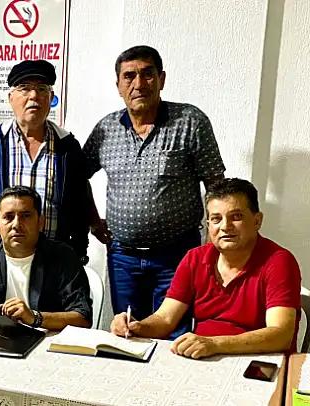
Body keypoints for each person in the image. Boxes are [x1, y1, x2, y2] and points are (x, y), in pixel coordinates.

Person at [83, 45, 226, 337]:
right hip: (123, 257)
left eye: (147, 74)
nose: (139, 83)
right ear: (118, 85)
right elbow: (78, 176)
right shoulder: (106, 129)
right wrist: (94, 222)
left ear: (161, 79)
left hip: (177, 256)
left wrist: (216, 243)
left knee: (174, 337)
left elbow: (216, 186)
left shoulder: (190, 122)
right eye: (129, 76)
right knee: (127, 332)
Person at [110, 178, 301, 359]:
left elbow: (281, 335)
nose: (225, 226)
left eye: (236, 217)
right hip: (202, 359)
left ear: (257, 221)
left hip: (259, 364)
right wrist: (136, 327)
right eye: (216, 219)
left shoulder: (279, 262)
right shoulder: (195, 258)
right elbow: (165, 319)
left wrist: (214, 344)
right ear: (208, 226)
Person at [0, 59, 92, 263]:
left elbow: (79, 204)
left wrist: (78, 252)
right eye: (24, 88)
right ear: (10, 98)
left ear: (51, 98)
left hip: (53, 261)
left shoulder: (68, 146)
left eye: (41, 89)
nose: (34, 96)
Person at [0, 186, 92, 330]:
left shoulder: (63, 256)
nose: (16, 224)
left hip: (48, 338)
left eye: (26, 216)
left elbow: (83, 317)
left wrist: (35, 317)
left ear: (40, 222)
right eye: (8, 217)